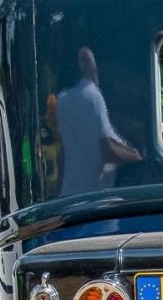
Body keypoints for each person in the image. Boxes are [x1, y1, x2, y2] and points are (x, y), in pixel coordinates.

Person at [51, 47, 139, 196]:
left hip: (69, 195)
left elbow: (63, 154)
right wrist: (137, 156)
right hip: (95, 198)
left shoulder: (63, 98)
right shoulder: (91, 95)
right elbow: (108, 151)